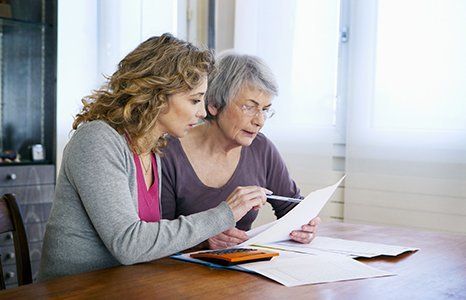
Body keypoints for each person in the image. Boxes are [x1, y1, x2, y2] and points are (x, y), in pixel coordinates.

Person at [38, 34, 268, 281]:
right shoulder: (97, 140)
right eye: (194, 100)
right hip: (74, 291)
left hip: (127, 286)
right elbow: (129, 244)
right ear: (158, 95)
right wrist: (225, 214)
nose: (202, 112)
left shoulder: (154, 148)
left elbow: (151, 239)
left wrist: (205, 237)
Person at [161, 52, 320, 250]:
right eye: (249, 107)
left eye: (265, 109)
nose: (259, 121)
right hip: (177, 274)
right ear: (214, 105)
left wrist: (305, 226)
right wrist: (204, 239)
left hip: (240, 271)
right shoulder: (167, 153)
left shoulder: (261, 148)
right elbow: (157, 235)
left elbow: (291, 207)